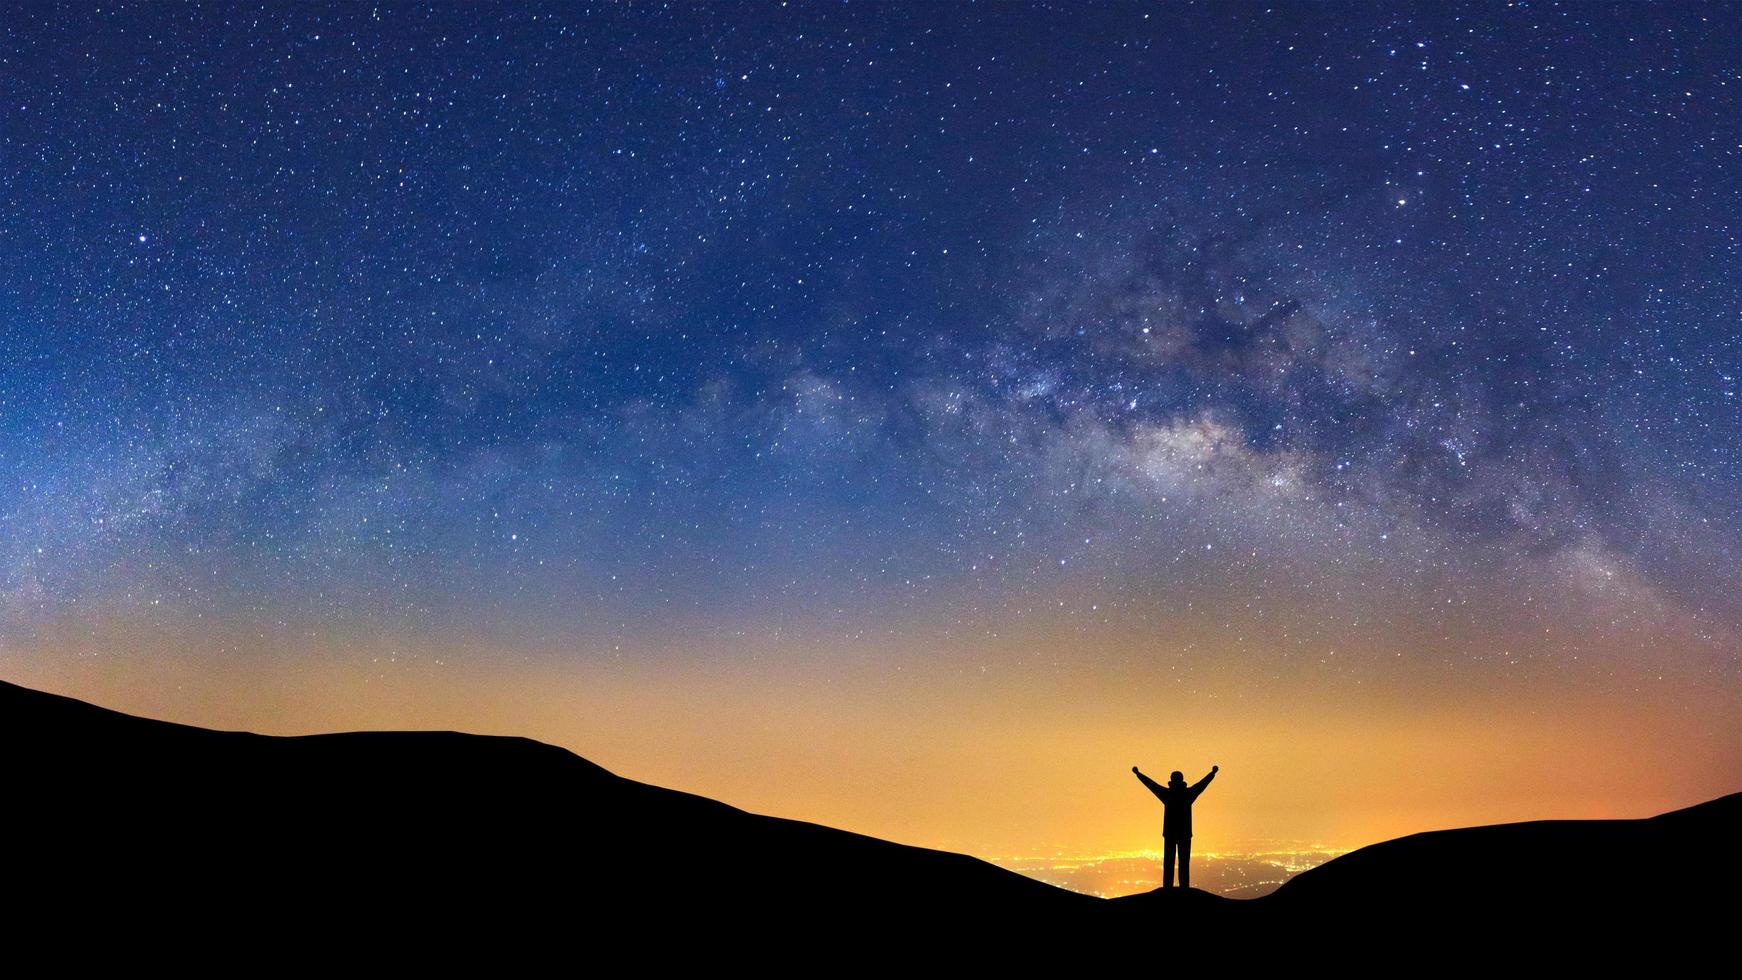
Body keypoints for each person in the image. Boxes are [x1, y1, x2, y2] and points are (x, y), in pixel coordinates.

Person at [1132, 764, 1217, 889]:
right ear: (1182, 781)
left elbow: (1151, 785)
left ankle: (1168, 888)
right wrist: (1212, 774)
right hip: (1184, 834)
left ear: (1171, 781)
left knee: (1169, 863)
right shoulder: (1188, 794)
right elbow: (1201, 784)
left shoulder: (1167, 794)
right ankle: (1184, 889)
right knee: (1184, 864)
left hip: (1170, 834)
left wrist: (1138, 774)